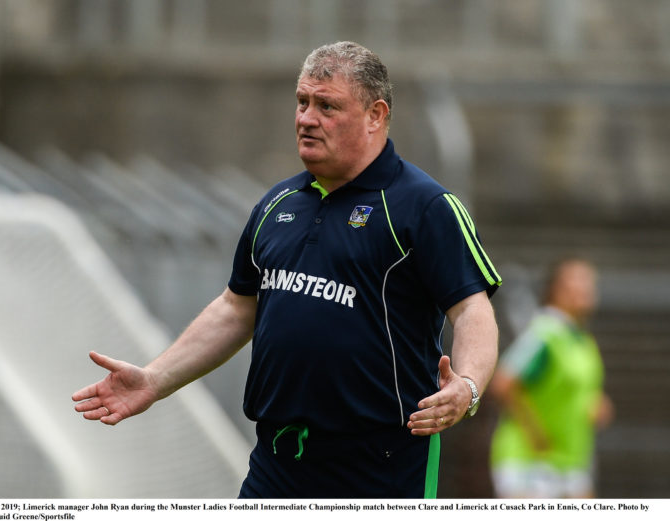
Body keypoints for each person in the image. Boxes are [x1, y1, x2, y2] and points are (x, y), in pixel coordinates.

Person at [72, 41, 502, 498]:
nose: (306, 119)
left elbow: (472, 310)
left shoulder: (424, 206)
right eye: (302, 102)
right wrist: (155, 379)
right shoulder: (278, 204)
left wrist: (469, 385)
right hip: (277, 461)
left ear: (375, 115)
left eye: (327, 106)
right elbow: (236, 309)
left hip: (381, 465)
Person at [489, 258, 614, 498]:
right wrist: (535, 433)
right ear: (556, 289)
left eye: (589, 282)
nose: (586, 288)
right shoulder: (545, 333)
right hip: (531, 463)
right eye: (576, 281)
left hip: (571, 460)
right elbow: (503, 383)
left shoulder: (581, 340)